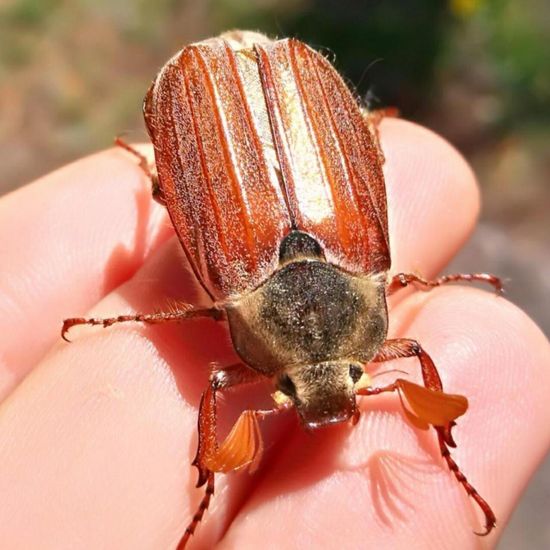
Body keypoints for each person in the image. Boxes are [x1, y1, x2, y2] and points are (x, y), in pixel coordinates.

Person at [0, 119, 548, 549]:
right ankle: (206, 487)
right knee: (186, 229)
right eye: (357, 375)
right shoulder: (248, 295)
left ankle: (444, 449)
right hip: (255, 119)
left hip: (276, 116)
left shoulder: (363, 281)